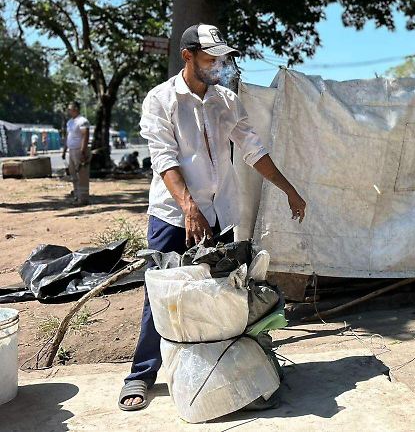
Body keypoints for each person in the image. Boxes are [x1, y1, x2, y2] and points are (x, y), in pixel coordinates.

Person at [118, 24, 307, 411]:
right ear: (188, 57)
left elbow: (253, 149)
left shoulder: (226, 101)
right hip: (173, 215)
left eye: (222, 58)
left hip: (219, 215)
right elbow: (165, 158)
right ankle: (140, 373)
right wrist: (189, 207)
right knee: (164, 296)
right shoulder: (161, 99)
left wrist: (289, 189)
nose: (219, 65)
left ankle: (224, 378)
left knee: (220, 298)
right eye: (211, 59)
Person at [61, 102, 91, 205]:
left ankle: (83, 199)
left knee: (82, 175)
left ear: (76, 109)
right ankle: (77, 196)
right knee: (74, 175)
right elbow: (67, 136)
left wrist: (83, 151)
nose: (69, 111)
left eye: (70, 109)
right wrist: (65, 150)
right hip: (71, 150)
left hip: (79, 150)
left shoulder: (83, 121)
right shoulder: (70, 122)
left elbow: (85, 136)